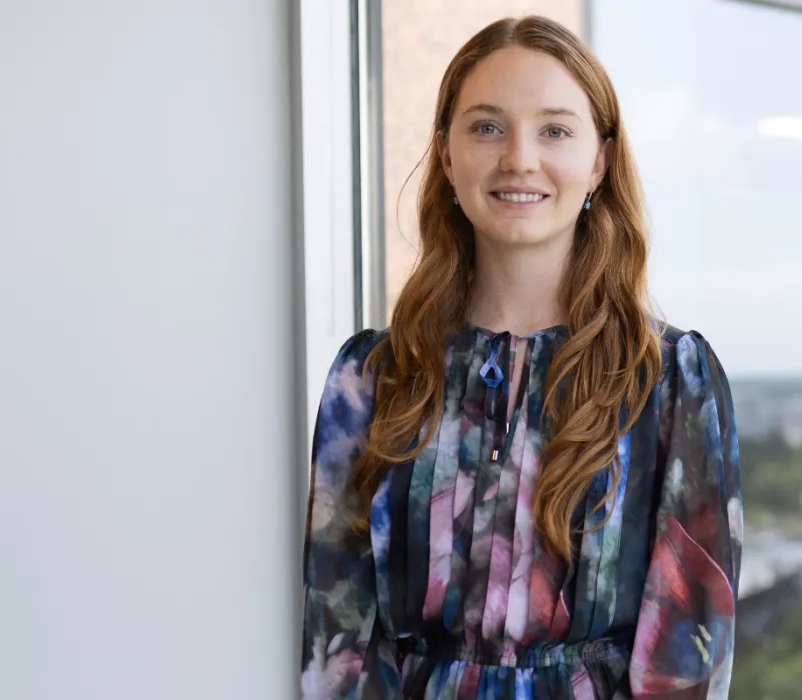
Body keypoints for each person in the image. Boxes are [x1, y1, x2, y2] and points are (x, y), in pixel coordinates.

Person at [300, 15, 741, 700]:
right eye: (487, 127)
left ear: (598, 160)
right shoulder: (372, 379)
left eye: (555, 130)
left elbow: (689, 660)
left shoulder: (671, 382)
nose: (519, 159)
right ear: (446, 154)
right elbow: (338, 642)